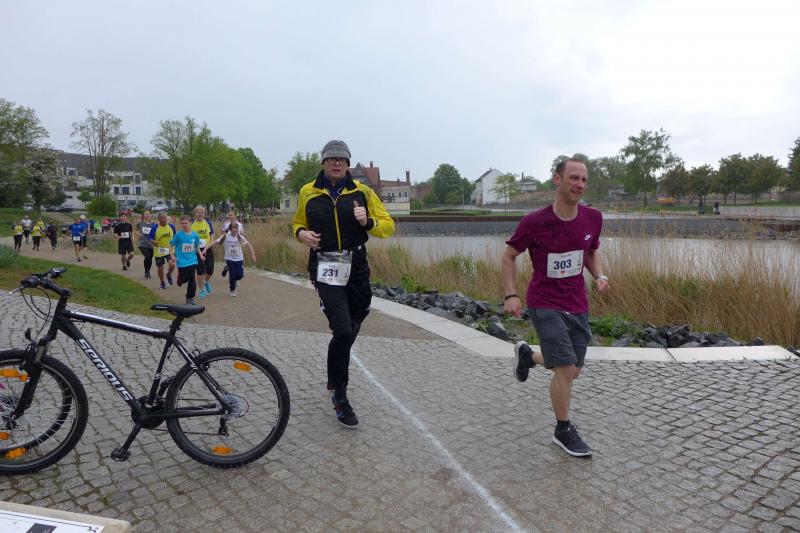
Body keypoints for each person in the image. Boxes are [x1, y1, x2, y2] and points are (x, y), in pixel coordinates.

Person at [502, 157, 610, 458]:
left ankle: (527, 355)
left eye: (584, 179)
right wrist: (511, 295)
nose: (580, 184)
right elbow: (508, 256)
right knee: (564, 369)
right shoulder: (534, 222)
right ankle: (563, 430)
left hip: (577, 302)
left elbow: (590, 252)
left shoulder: (593, 218)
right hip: (544, 303)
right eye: (574, 178)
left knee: (573, 370)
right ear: (557, 179)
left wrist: (599, 276)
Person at [292, 139, 395, 428]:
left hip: (357, 268)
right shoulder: (308, 192)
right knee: (343, 329)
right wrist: (301, 234)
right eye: (331, 158)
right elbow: (297, 223)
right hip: (325, 267)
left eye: (342, 159)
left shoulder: (362, 192)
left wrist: (368, 222)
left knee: (353, 323)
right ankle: (340, 394)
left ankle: (338, 354)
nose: (336, 163)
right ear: (323, 162)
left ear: (348, 164)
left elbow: (388, 226)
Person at [203, 220, 255, 297]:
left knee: (240, 275)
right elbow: (214, 242)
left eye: (236, 231)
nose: (235, 233)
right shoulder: (226, 236)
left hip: (239, 259)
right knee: (232, 275)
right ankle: (232, 290)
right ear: (230, 230)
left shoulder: (240, 237)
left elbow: (249, 245)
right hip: (229, 259)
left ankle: (236, 279)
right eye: (233, 231)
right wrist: (205, 249)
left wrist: (253, 254)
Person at [170, 215, 202, 305]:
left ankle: (190, 298)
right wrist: (172, 256)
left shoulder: (195, 235)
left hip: (192, 260)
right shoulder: (178, 235)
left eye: (186, 223)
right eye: (182, 223)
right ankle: (180, 279)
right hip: (181, 261)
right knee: (184, 279)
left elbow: (196, 246)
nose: (184, 225)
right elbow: (171, 245)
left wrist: (201, 255)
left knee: (192, 279)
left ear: (190, 223)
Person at [191, 205, 215, 298]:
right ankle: (202, 290)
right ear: (195, 214)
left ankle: (206, 282)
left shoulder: (208, 223)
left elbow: (211, 234)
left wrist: (210, 243)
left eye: (202, 212)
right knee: (200, 271)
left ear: (204, 214)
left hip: (208, 248)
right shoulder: (192, 224)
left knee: (210, 270)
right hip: (197, 250)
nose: (200, 214)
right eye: (198, 212)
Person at [148, 212, 176, 290]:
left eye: (165, 218)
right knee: (160, 268)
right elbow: (150, 237)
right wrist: (154, 241)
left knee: (172, 264)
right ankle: (162, 282)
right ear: (158, 219)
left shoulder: (171, 226)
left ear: (167, 218)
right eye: (161, 218)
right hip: (159, 250)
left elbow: (175, 236)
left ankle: (169, 274)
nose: (163, 220)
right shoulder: (155, 227)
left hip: (169, 249)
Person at [220, 211, 243, 278]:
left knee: (236, 256)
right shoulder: (226, 224)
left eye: (231, 215)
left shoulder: (240, 224)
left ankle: (229, 268)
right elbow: (222, 233)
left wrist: (241, 234)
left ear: (235, 216)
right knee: (229, 257)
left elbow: (242, 233)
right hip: (228, 243)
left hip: (237, 243)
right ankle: (227, 267)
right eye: (229, 215)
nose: (230, 216)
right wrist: (226, 231)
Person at [137, 211, 155, 279]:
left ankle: (148, 271)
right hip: (142, 243)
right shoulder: (140, 223)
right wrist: (138, 234)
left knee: (150, 258)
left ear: (150, 215)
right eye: (145, 214)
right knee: (147, 256)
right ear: (143, 215)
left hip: (151, 243)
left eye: (148, 214)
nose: (147, 215)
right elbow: (136, 230)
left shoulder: (153, 224)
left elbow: (156, 231)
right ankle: (146, 272)